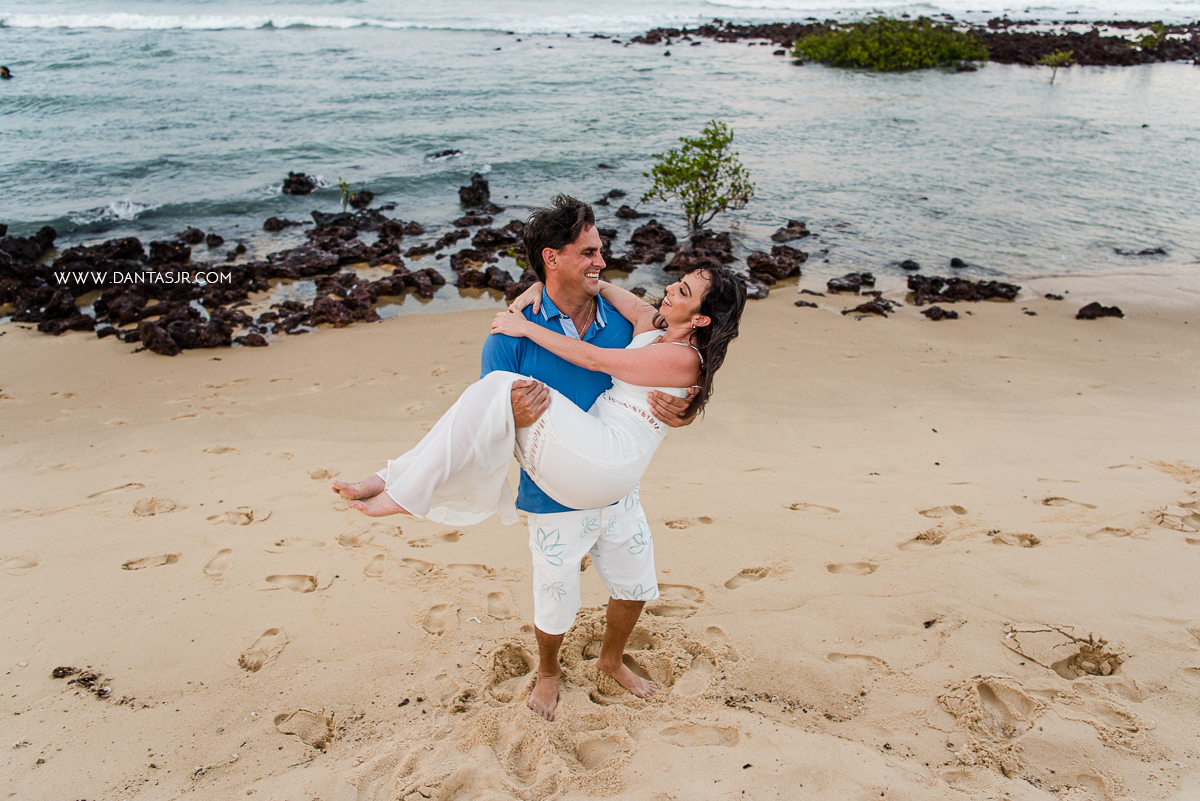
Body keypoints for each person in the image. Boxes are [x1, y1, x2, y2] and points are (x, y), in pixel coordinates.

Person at [333, 195, 745, 720]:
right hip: (559, 484)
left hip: (613, 478)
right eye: (590, 252)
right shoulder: (639, 324)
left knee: (636, 586)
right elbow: (482, 421)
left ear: (703, 317)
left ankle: (609, 660)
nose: (601, 262)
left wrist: (530, 324)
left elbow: (609, 362)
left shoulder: (635, 337)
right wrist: (525, 321)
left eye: (682, 289)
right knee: (554, 592)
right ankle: (548, 670)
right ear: (553, 257)